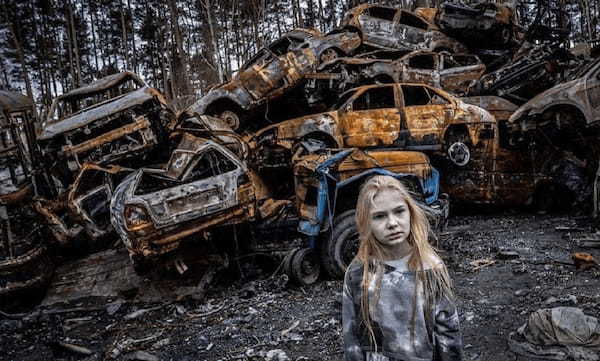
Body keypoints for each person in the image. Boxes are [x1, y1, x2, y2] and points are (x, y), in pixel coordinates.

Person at [342, 175, 462, 361]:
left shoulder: (430, 267)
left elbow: (448, 333)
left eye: (399, 211)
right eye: (379, 216)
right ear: (367, 223)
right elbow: (351, 337)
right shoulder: (359, 272)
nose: (392, 223)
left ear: (410, 213)